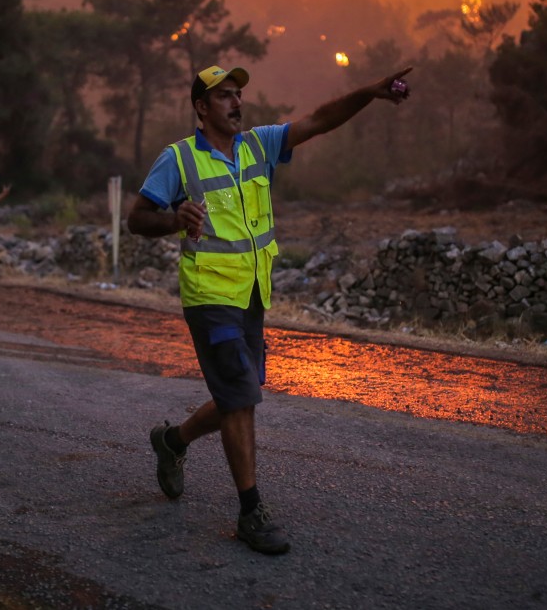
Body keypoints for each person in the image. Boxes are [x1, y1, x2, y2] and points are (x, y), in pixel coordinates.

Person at [128, 62, 411, 554]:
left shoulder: (260, 145)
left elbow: (321, 120)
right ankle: (250, 511)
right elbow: (137, 219)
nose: (237, 103)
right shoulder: (178, 159)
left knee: (239, 390)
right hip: (209, 296)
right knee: (240, 396)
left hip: (253, 294)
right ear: (201, 107)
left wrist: (369, 91)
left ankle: (174, 441)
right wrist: (176, 218)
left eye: (239, 94)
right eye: (224, 96)